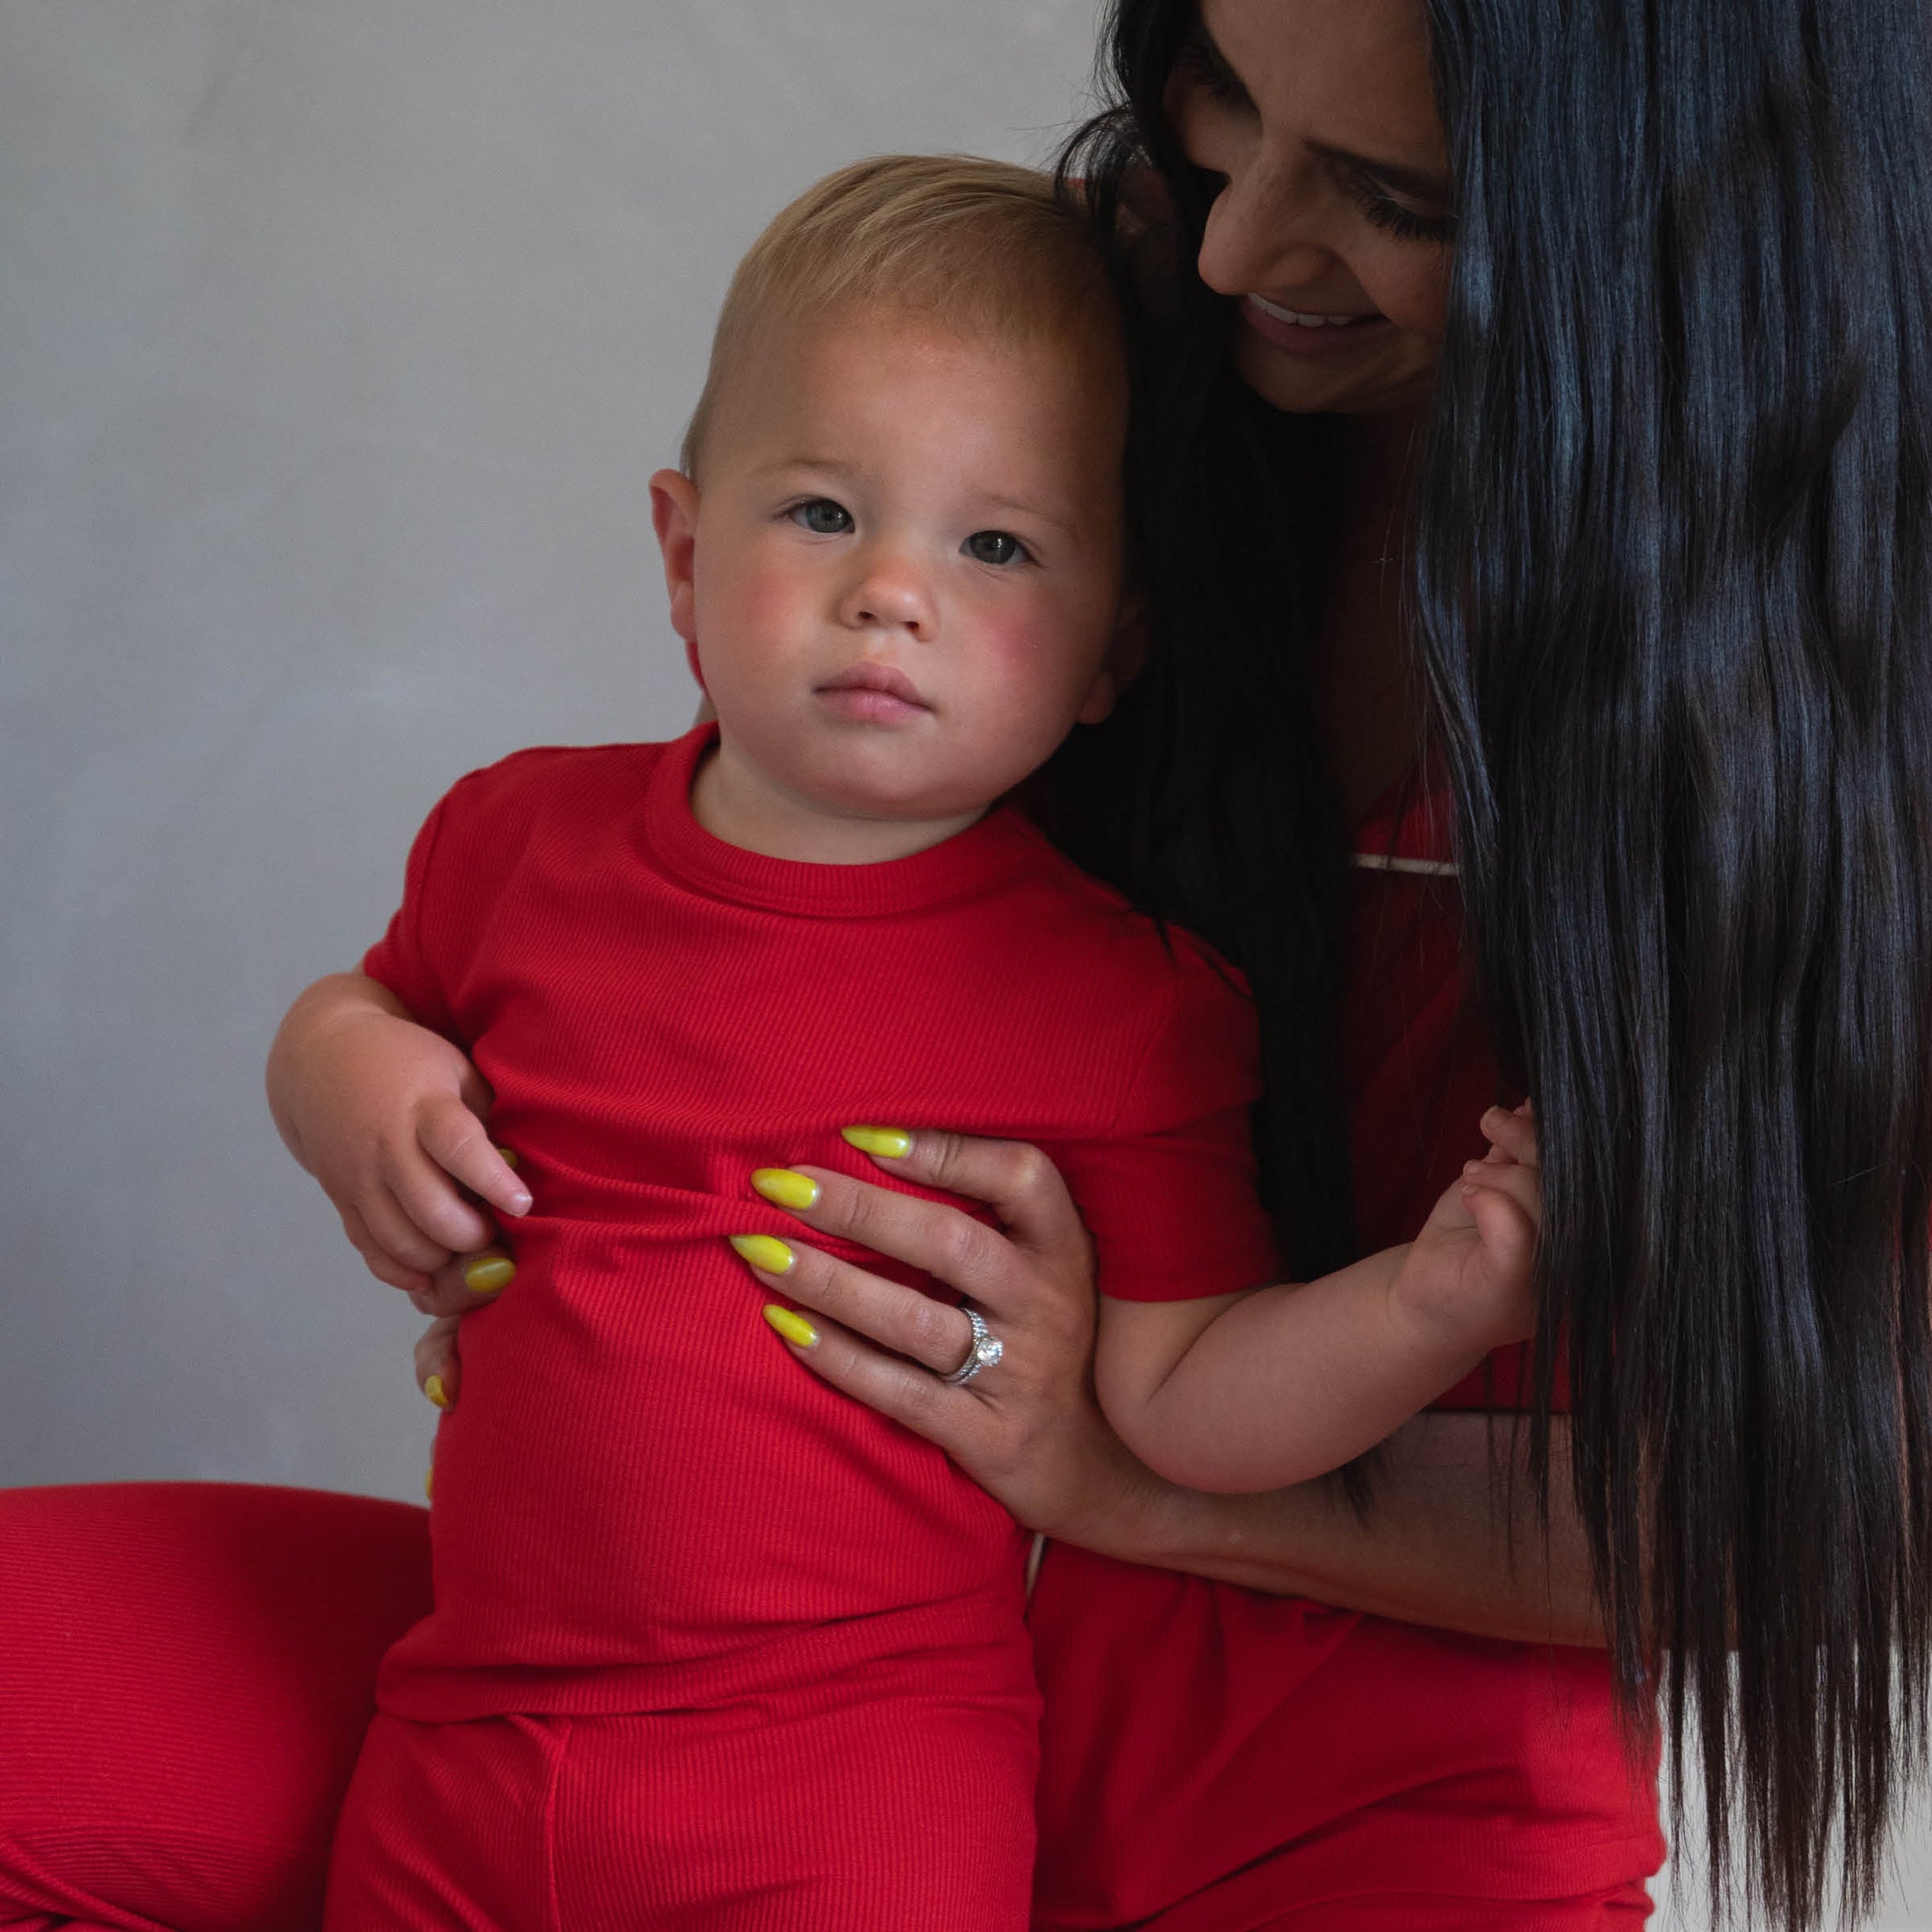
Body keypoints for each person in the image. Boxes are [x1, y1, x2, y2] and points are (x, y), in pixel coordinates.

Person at [1, 0, 1925, 1928]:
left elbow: (1826, 1517)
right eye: (1218, 100)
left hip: (1324, 1789)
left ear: (1667, 230)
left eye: (1388, 191)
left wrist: (1120, 1471)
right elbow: (748, 908)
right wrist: (434, 1144)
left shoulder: (1842, 701)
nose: (1237, 243)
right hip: (687, 1690)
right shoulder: (1137, 334)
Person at [269, 152, 1543, 1928]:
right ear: (679, 544)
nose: (890, 591)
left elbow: (1184, 1396)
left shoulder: (1120, 996)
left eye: (995, 544)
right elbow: (361, 999)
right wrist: (343, 1071)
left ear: (1109, 658)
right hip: (467, 1721)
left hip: (851, 1776)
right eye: (816, 513)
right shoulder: (514, 837)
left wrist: (1427, 1299)